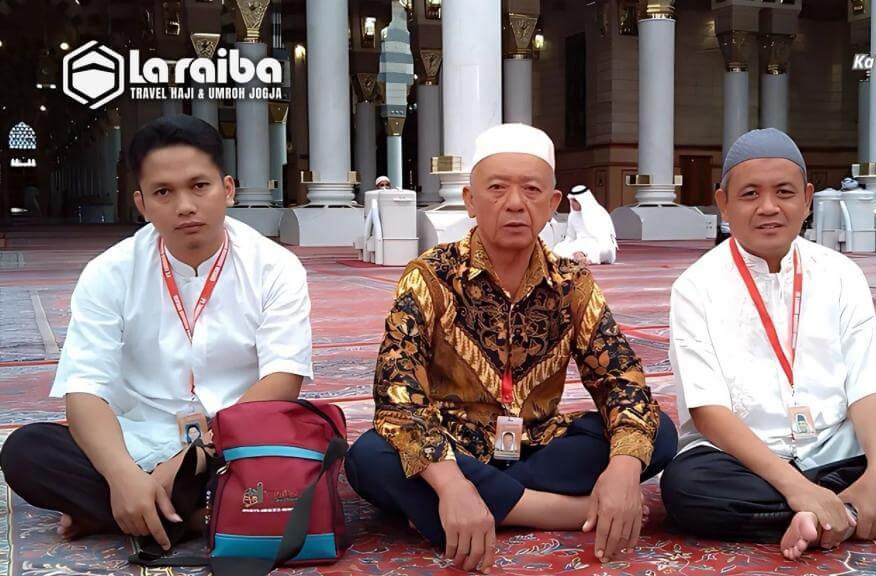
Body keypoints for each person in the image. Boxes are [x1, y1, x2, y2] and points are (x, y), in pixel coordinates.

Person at [659, 128, 876, 560]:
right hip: (743, 461)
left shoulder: (841, 273)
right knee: (687, 488)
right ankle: (862, 510)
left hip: (837, 448)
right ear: (723, 204)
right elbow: (707, 410)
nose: (768, 207)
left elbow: (867, 382)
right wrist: (795, 486)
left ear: (807, 199)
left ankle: (838, 511)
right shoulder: (695, 286)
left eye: (784, 192)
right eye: (750, 194)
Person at [345, 123, 677, 574]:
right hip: (452, 446)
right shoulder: (431, 276)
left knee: (656, 433)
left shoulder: (571, 282)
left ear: (553, 204)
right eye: (497, 188)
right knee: (369, 456)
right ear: (470, 199)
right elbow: (396, 395)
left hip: (538, 445)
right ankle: (557, 510)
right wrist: (451, 484)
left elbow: (621, 380)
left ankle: (470, 508)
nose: (515, 203)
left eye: (531, 190)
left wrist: (622, 468)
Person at [0, 115, 314, 552]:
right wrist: (121, 474)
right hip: (138, 438)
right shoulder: (109, 272)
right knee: (27, 451)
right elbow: (84, 389)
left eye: (199, 186)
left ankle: (124, 513)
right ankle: (197, 514)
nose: (185, 205)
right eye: (163, 192)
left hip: (231, 440)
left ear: (227, 189)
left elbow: (282, 379)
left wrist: (196, 455)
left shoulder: (275, 267)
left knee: (309, 441)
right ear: (142, 203)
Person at [553, 186, 618, 265]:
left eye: (575, 201)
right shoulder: (572, 215)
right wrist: (569, 247)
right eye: (571, 200)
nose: (572, 203)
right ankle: (578, 257)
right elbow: (570, 237)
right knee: (558, 248)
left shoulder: (599, 213)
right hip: (579, 243)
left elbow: (605, 239)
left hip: (597, 244)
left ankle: (584, 257)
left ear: (582, 201)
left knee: (604, 250)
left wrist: (584, 249)